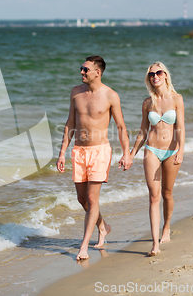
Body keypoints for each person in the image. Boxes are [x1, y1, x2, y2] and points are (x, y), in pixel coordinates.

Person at [57, 55, 133, 261]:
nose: (81, 72)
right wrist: (62, 152)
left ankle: (83, 246)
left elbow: (120, 127)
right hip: (78, 151)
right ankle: (103, 226)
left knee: (92, 198)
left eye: (85, 69)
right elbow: (70, 122)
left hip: (100, 151)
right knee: (82, 199)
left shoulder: (110, 95)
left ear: (97, 72)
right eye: (81, 68)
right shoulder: (76, 93)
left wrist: (126, 153)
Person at [130, 61, 185, 257]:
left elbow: (180, 128)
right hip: (152, 150)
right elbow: (142, 132)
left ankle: (167, 226)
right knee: (154, 196)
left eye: (158, 73)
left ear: (165, 75)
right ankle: (155, 244)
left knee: (167, 193)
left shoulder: (177, 99)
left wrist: (180, 150)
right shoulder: (147, 103)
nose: (155, 76)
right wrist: (130, 155)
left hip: (171, 151)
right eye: (151, 74)